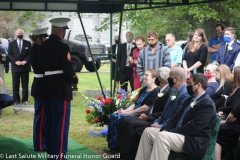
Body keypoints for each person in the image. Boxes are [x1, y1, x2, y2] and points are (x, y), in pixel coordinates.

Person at [136, 73, 217, 160]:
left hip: (192, 140)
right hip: (179, 134)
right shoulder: (189, 99)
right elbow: (176, 117)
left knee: (163, 137)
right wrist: (166, 128)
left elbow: (194, 127)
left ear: (198, 85)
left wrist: (172, 131)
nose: (187, 86)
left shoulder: (207, 104)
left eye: (189, 83)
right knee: (148, 132)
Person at [38, 18, 78, 160]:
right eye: (64, 31)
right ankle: (59, 155)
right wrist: (74, 79)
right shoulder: (62, 47)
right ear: (61, 30)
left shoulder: (41, 46)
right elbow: (67, 70)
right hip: (60, 90)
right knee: (60, 126)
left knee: (49, 123)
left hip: (46, 87)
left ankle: (51, 154)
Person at [115, 67, 175, 160]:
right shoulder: (160, 89)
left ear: (160, 79)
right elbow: (151, 107)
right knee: (124, 119)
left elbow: (163, 112)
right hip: (148, 115)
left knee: (130, 123)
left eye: (157, 77)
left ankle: (127, 155)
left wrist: (148, 116)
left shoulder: (169, 91)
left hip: (153, 119)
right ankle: (121, 151)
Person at [107, 69, 160, 151]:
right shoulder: (144, 89)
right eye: (144, 75)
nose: (144, 77)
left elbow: (145, 108)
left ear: (153, 78)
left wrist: (127, 113)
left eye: (147, 75)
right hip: (134, 111)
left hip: (140, 114)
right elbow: (135, 104)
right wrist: (125, 111)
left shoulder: (156, 91)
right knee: (114, 115)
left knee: (119, 118)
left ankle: (119, 146)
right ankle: (113, 144)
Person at [29, 27, 49, 151]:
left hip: (41, 84)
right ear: (39, 38)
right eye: (44, 37)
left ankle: (43, 142)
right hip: (40, 85)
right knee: (40, 117)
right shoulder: (36, 50)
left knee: (42, 116)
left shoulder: (37, 49)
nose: (46, 39)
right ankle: (40, 144)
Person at [214, 66, 240, 160]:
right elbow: (232, 107)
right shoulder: (236, 88)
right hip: (232, 121)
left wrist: (226, 121)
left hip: (236, 126)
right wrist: (222, 109)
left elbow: (234, 114)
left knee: (215, 130)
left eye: (233, 73)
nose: (231, 75)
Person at [8, 28, 31, 105]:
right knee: (15, 84)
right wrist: (15, 61)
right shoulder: (11, 44)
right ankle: (16, 100)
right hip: (15, 67)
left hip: (25, 67)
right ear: (15, 35)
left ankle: (24, 100)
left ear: (23, 34)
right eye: (18, 33)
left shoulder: (28, 43)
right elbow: (9, 54)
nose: (19, 34)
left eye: (21, 33)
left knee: (25, 85)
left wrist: (25, 61)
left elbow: (30, 54)